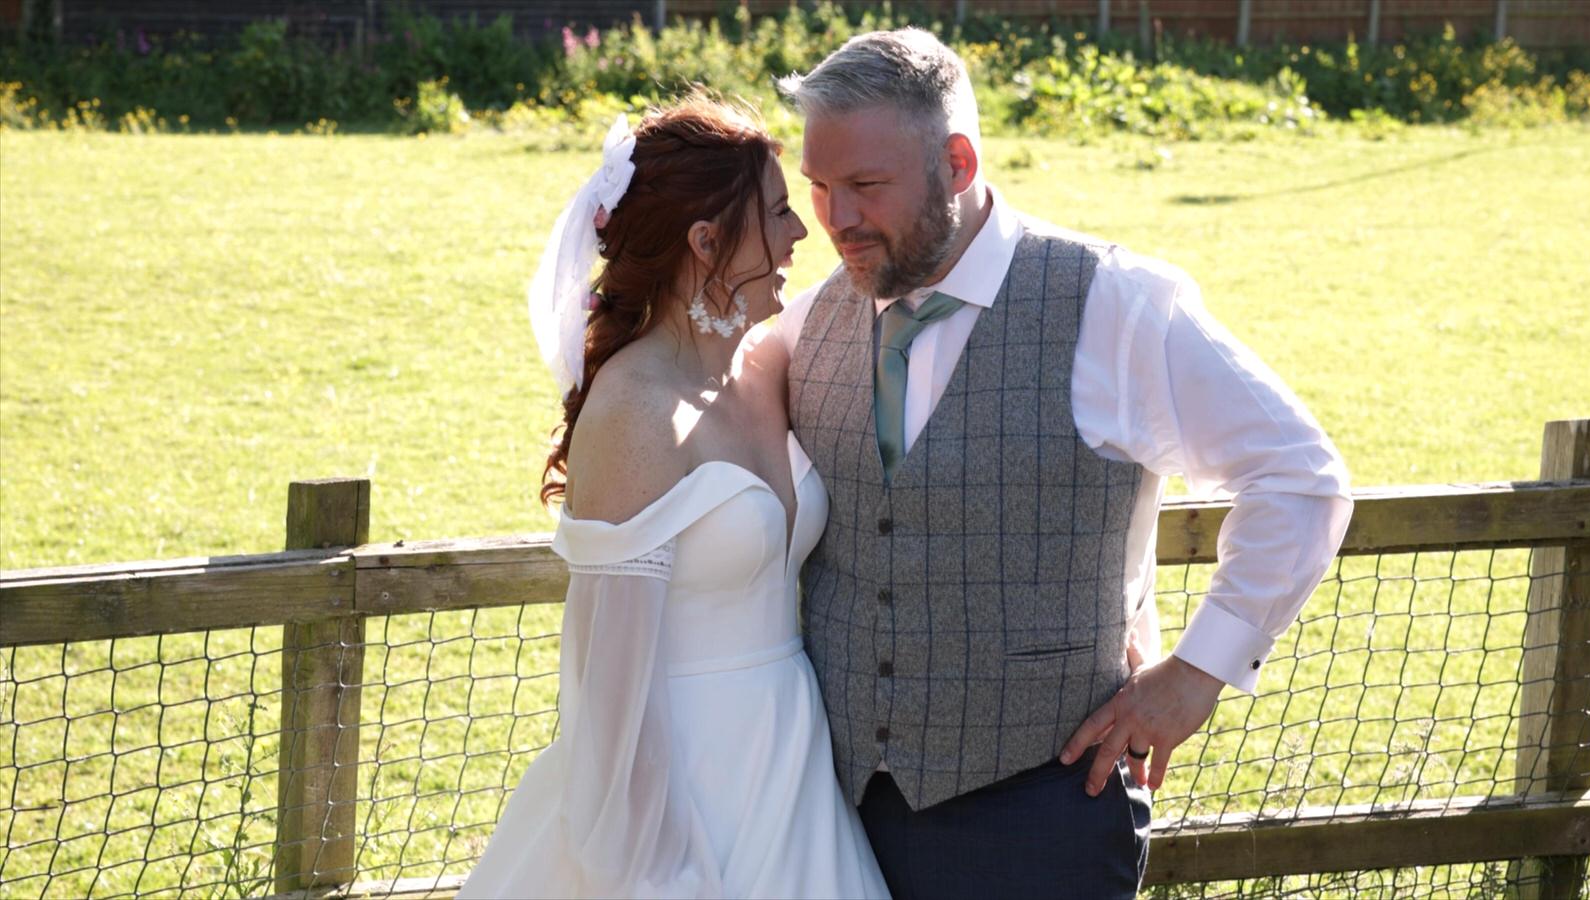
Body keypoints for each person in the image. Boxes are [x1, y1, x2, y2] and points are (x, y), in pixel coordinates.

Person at [776, 28, 1354, 898]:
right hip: (832, 811)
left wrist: (1198, 673)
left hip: (1041, 813)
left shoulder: (1114, 302)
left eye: (865, 186)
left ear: (958, 163)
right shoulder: (810, 320)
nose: (838, 220)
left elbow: (1301, 478)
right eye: (819, 188)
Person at [459, 97, 889, 899]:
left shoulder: (760, 363)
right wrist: (657, 871)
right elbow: (610, 690)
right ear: (705, 241)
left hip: (789, 765)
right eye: (777, 212)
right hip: (678, 786)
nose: (801, 233)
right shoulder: (634, 411)